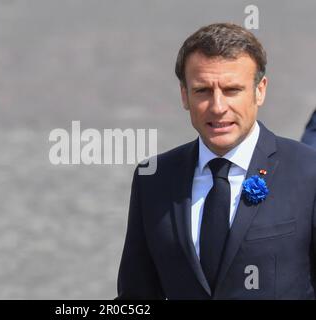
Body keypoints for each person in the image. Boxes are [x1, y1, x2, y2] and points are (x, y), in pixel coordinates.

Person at [116, 23, 316, 299]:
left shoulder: (308, 171)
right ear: (184, 95)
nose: (218, 107)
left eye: (232, 90)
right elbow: (137, 296)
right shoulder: (154, 178)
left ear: (260, 91)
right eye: (202, 91)